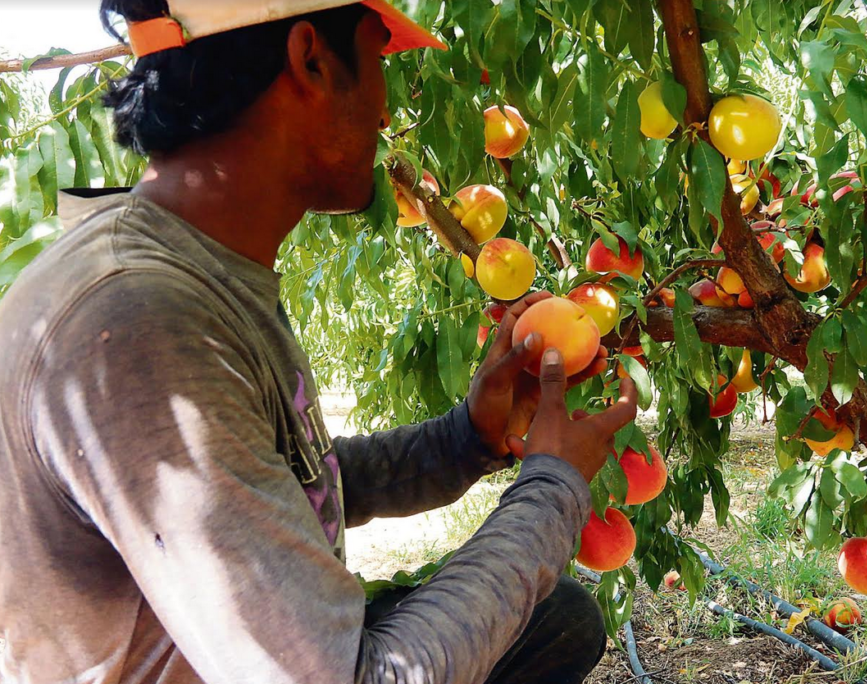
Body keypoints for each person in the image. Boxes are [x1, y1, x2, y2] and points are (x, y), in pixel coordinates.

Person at [0, 2, 640, 683]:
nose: (386, 113)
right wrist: (553, 486)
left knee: (558, 622)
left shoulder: (197, 268)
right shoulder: (140, 324)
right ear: (311, 58)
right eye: (374, 61)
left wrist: (467, 441)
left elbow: (282, 485)